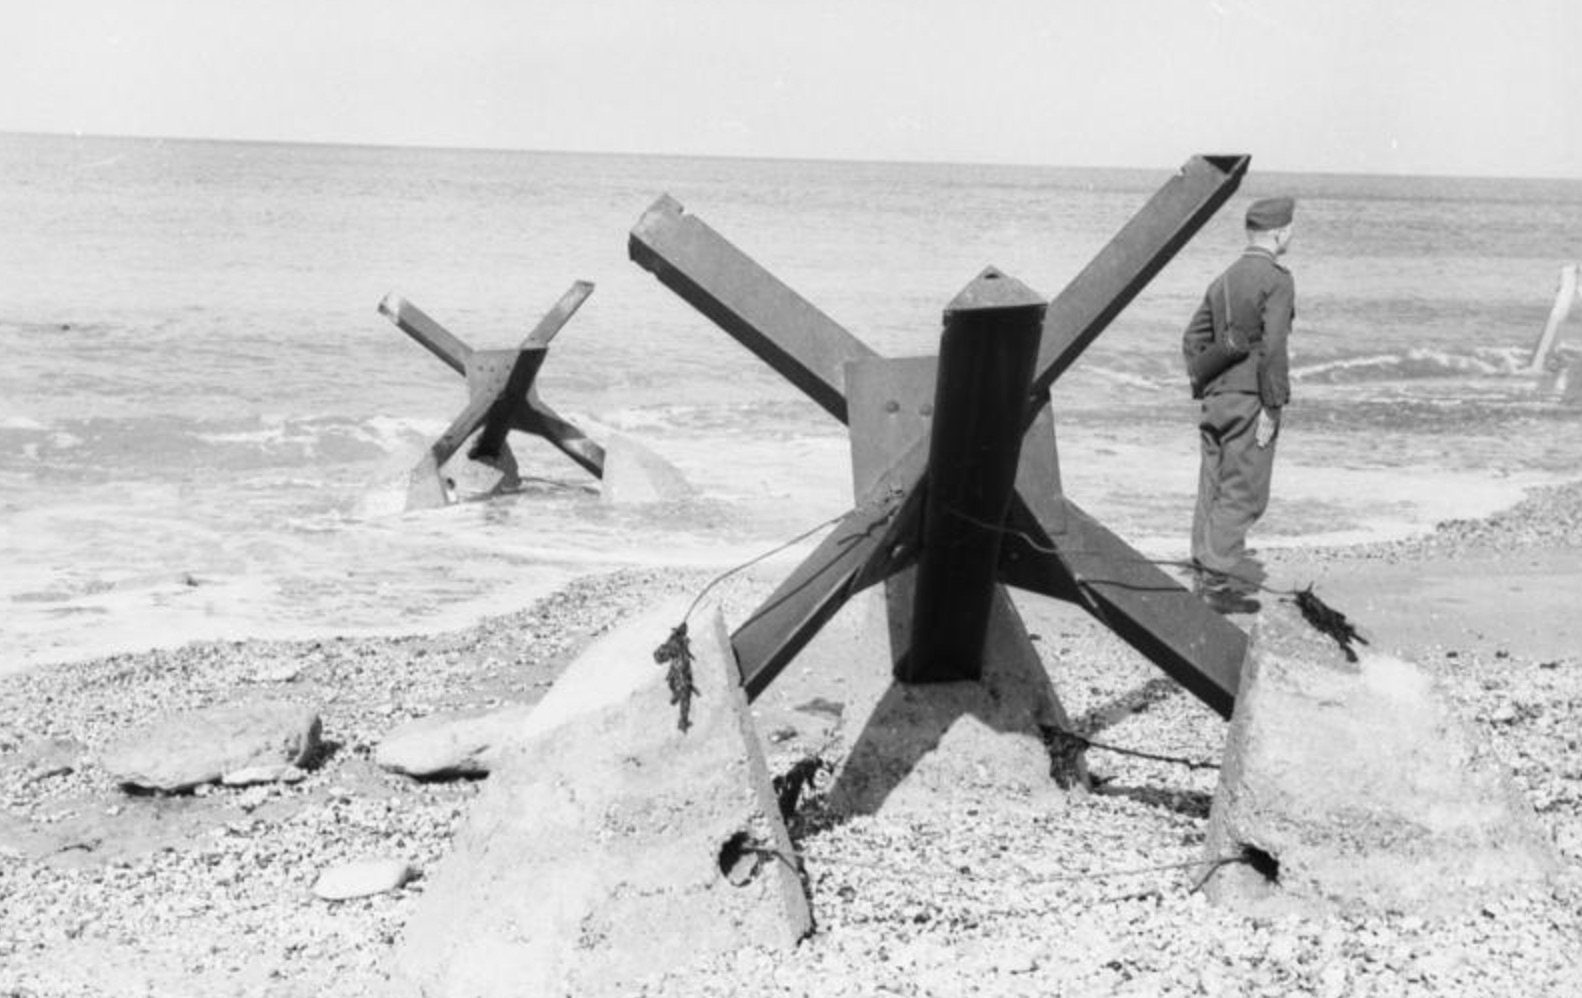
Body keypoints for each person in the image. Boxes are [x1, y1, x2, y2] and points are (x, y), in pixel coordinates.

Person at [1181, 196, 1296, 614]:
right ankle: (1217, 583)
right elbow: (1274, 347)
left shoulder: (1224, 279)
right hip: (1251, 400)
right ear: (1281, 232)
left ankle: (1202, 568)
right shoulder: (1278, 280)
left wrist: (1209, 387)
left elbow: (1193, 340)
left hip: (1216, 399)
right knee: (1245, 492)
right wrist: (1272, 405)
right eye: (1291, 228)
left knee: (1211, 484)